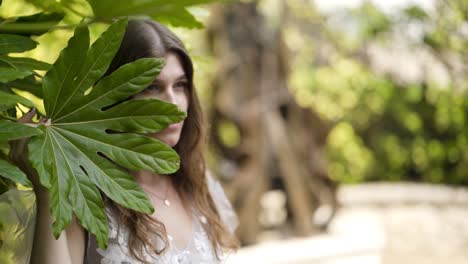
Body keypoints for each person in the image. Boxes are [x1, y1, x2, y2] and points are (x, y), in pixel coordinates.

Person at [14, 18, 240, 264]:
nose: (173, 103)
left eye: (180, 85)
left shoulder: (196, 182)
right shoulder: (85, 193)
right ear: (116, 95)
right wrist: (46, 187)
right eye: (152, 87)